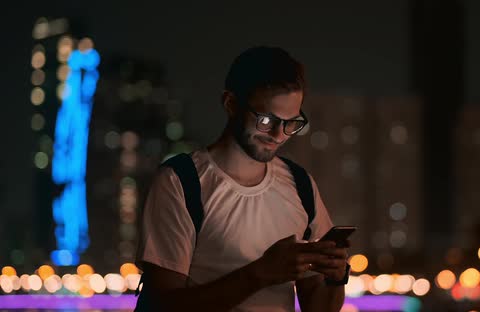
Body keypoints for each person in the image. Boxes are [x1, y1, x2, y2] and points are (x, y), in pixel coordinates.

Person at [135, 46, 351, 311]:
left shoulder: (300, 184)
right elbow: (164, 306)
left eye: (291, 123)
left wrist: (337, 277)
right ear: (231, 104)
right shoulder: (182, 181)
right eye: (266, 119)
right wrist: (261, 273)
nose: (278, 134)